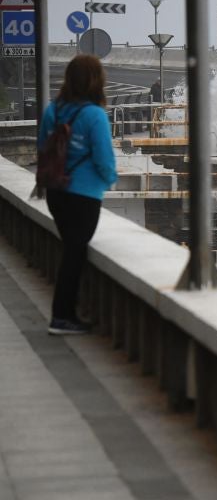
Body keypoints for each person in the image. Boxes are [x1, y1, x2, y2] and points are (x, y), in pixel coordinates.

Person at [37, 55, 118, 335]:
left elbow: (42, 146)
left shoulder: (54, 110)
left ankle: (65, 314)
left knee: (72, 250)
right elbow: (104, 159)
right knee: (75, 253)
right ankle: (61, 316)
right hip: (84, 196)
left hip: (56, 192)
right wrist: (111, 180)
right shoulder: (94, 115)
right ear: (97, 80)